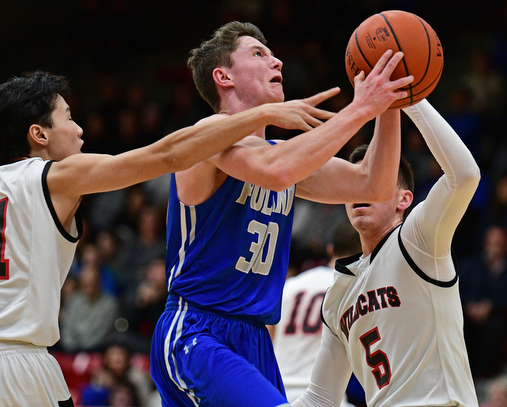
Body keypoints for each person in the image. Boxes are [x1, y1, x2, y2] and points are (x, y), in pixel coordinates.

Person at [0, 70, 329, 407]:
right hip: (12, 364)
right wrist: (260, 116)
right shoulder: (57, 176)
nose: (79, 130)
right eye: (68, 117)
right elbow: (165, 155)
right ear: (39, 135)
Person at [150, 21, 414, 407]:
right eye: (258, 53)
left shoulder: (278, 152)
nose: (276, 61)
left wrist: (387, 105)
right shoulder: (208, 136)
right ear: (223, 76)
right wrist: (359, 108)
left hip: (254, 337)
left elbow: (373, 184)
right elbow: (277, 170)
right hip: (197, 329)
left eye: (272, 53)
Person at [292, 98, 480, 407]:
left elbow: (464, 176)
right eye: (355, 183)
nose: (361, 190)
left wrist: (411, 97)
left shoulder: (418, 240)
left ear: (404, 200)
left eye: (375, 182)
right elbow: (320, 398)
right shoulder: (337, 295)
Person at [270, 220, 361, 405]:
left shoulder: (290, 285)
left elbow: (268, 337)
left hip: (278, 393)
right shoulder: (354, 292)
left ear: (329, 249)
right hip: (323, 397)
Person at [459, 224, 507, 378]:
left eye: (499, 244)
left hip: (494, 316)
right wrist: (469, 305)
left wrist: (490, 306)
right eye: (492, 243)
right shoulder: (471, 264)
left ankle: (484, 376)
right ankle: (460, 373)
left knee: (495, 328)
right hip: (466, 312)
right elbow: (457, 288)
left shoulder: (504, 269)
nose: (495, 248)